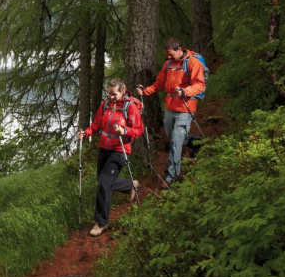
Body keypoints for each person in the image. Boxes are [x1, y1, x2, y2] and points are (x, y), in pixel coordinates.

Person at [136, 37, 205, 189]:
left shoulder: (193, 62)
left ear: (179, 49)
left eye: (171, 54)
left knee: (175, 141)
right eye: (167, 54)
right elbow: (160, 83)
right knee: (172, 136)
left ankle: (171, 176)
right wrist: (146, 91)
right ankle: (197, 142)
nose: (168, 57)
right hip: (170, 108)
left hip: (185, 108)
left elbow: (200, 84)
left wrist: (186, 91)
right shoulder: (168, 63)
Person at [78, 78, 142, 237]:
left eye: (114, 94)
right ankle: (130, 185)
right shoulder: (106, 104)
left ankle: (101, 222)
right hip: (104, 148)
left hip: (120, 149)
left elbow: (138, 130)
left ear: (122, 92)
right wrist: (87, 133)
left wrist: (125, 131)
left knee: (104, 184)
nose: (111, 97)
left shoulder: (130, 107)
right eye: (109, 93)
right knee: (102, 182)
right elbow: (97, 124)